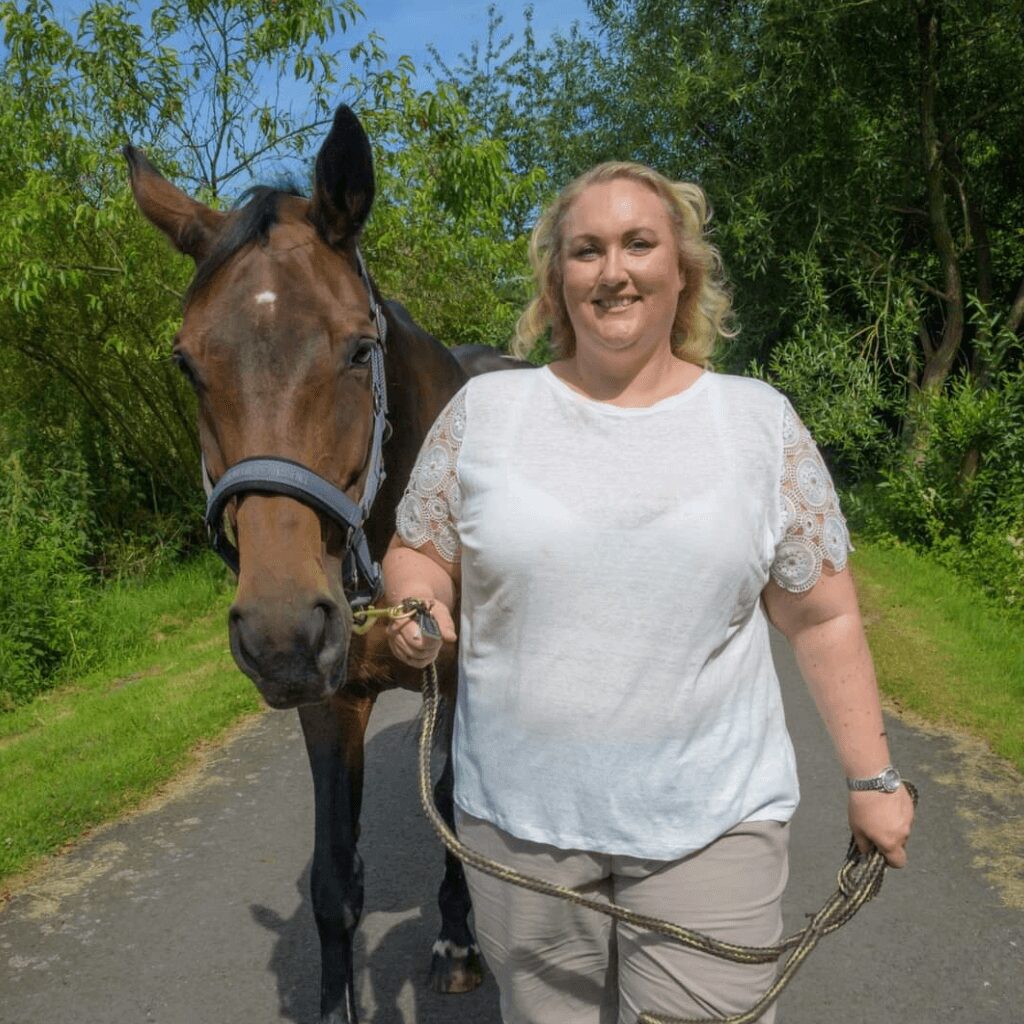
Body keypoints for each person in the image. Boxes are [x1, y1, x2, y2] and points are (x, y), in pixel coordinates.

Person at [381, 161, 915, 1024]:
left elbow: (823, 614)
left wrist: (875, 777)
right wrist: (423, 604)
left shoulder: (756, 423)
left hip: (713, 825)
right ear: (558, 281)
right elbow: (419, 551)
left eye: (639, 243)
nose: (613, 270)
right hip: (519, 830)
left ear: (683, 270)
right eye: (586, 250)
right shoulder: (485, 415)